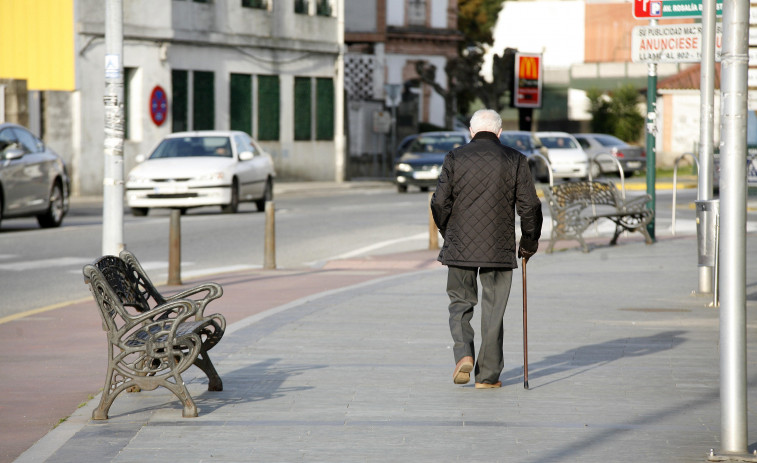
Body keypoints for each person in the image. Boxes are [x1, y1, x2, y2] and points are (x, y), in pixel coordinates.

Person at [430, 109, 543, 389]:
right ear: (500, 132)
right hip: (498, 247)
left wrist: (447, 231)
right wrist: (529, 243)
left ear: (471, 131)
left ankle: (463, 354)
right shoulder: (515, 159)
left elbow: (439, 202)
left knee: (460, 302)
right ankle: (488, 376)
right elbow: (530, 207)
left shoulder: (454, 158)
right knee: (494, 310)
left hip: (460, 246)